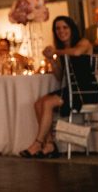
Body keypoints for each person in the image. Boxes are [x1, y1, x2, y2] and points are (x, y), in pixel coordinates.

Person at [20, 16, 92, 158]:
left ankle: (38, 143)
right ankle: (49, 144)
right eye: (57, 28)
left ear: (72, 29)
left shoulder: (83, 43)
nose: (61, 31)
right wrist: (50, 60)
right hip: (70, 89)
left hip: (84, 90)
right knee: (38, 104)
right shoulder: (61, 50)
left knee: (47, 103)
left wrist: (55, 52)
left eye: (65, 27)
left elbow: (77, 52)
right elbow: (59, 76)